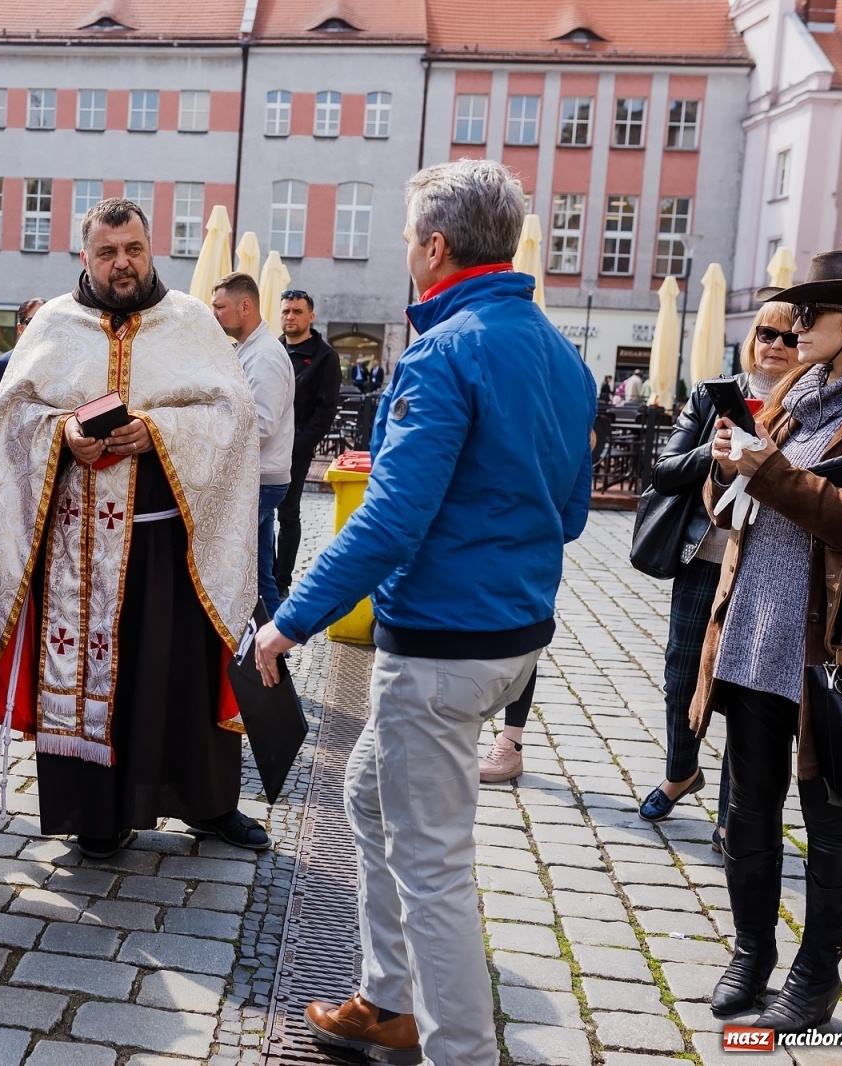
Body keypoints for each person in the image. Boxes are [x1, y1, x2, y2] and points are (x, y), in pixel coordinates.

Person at [256, 160, 594, 1064]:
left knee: (434, 866)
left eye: (409, 237)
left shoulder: (445, 352)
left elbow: (392, 519)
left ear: (435, 247)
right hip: (511, 637)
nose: (406, 251)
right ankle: (387, 999)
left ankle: (461, 1051)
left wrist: (290, 620)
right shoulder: (562, 354)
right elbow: (568, 514)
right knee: (368, 795)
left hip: (445, 645)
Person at [0, 197, 265, 859]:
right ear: (86, 256)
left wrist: (157, 430)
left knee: (181, 678)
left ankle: (208, 805)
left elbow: (235, 416)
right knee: (98, 680)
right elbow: (9, 421)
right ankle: (96, 815)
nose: (122, 263)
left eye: (132, 250)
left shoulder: (189, 320)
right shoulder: (54, 327)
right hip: (78, 547)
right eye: (108, 252)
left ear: (150, 249)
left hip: (172, 547)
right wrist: (63, 432)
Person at [696, 251, 842, 1032]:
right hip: (753, 633)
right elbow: (733, 503)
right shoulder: (793, 393)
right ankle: (751, 951)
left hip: (830, 650)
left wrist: (771, 473)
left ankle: (814, 980)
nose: (796, 327)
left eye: (814, 314)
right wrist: (722, 472)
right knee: (748, 810)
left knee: (830, 817)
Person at [631, 304, 800, 850]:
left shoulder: (805, 406)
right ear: (750, 339)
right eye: (764, 333)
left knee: (744, 688)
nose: (775, 344)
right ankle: (682, 771)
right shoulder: (712, 396)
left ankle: (732, 812)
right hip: (706, 555)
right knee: (681, 673)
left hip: (765, 566)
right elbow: (663, 469)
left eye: (788, 336)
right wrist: (717, 449)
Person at [211, 272, 295, 616]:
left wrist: (211, 441)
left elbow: (260, 425)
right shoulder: (250, 349)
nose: (213, 313)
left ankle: (259, 652)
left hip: (261, 478)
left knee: (233, 570)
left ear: (245, 307)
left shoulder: (265, 356)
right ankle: (271, 653)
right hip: (259, 477)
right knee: (260, 576)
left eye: (220, 306)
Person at [275, 289, 342, 599]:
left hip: (295, 451)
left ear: (310, 317)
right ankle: (264, 571)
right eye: (286, 311)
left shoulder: (325, 357)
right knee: (259, 514)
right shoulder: (273, 349)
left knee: (287, 514)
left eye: (297, 312)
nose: (291, 317)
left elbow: (324, 412)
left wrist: (297, 448)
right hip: (265, 446)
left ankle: (281, 580)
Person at [0, 297, 46, 386]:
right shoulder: (1, 364)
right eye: (33, 320)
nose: (40, 325)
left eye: (46, 320)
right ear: (20, 328)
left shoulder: (62, 363)